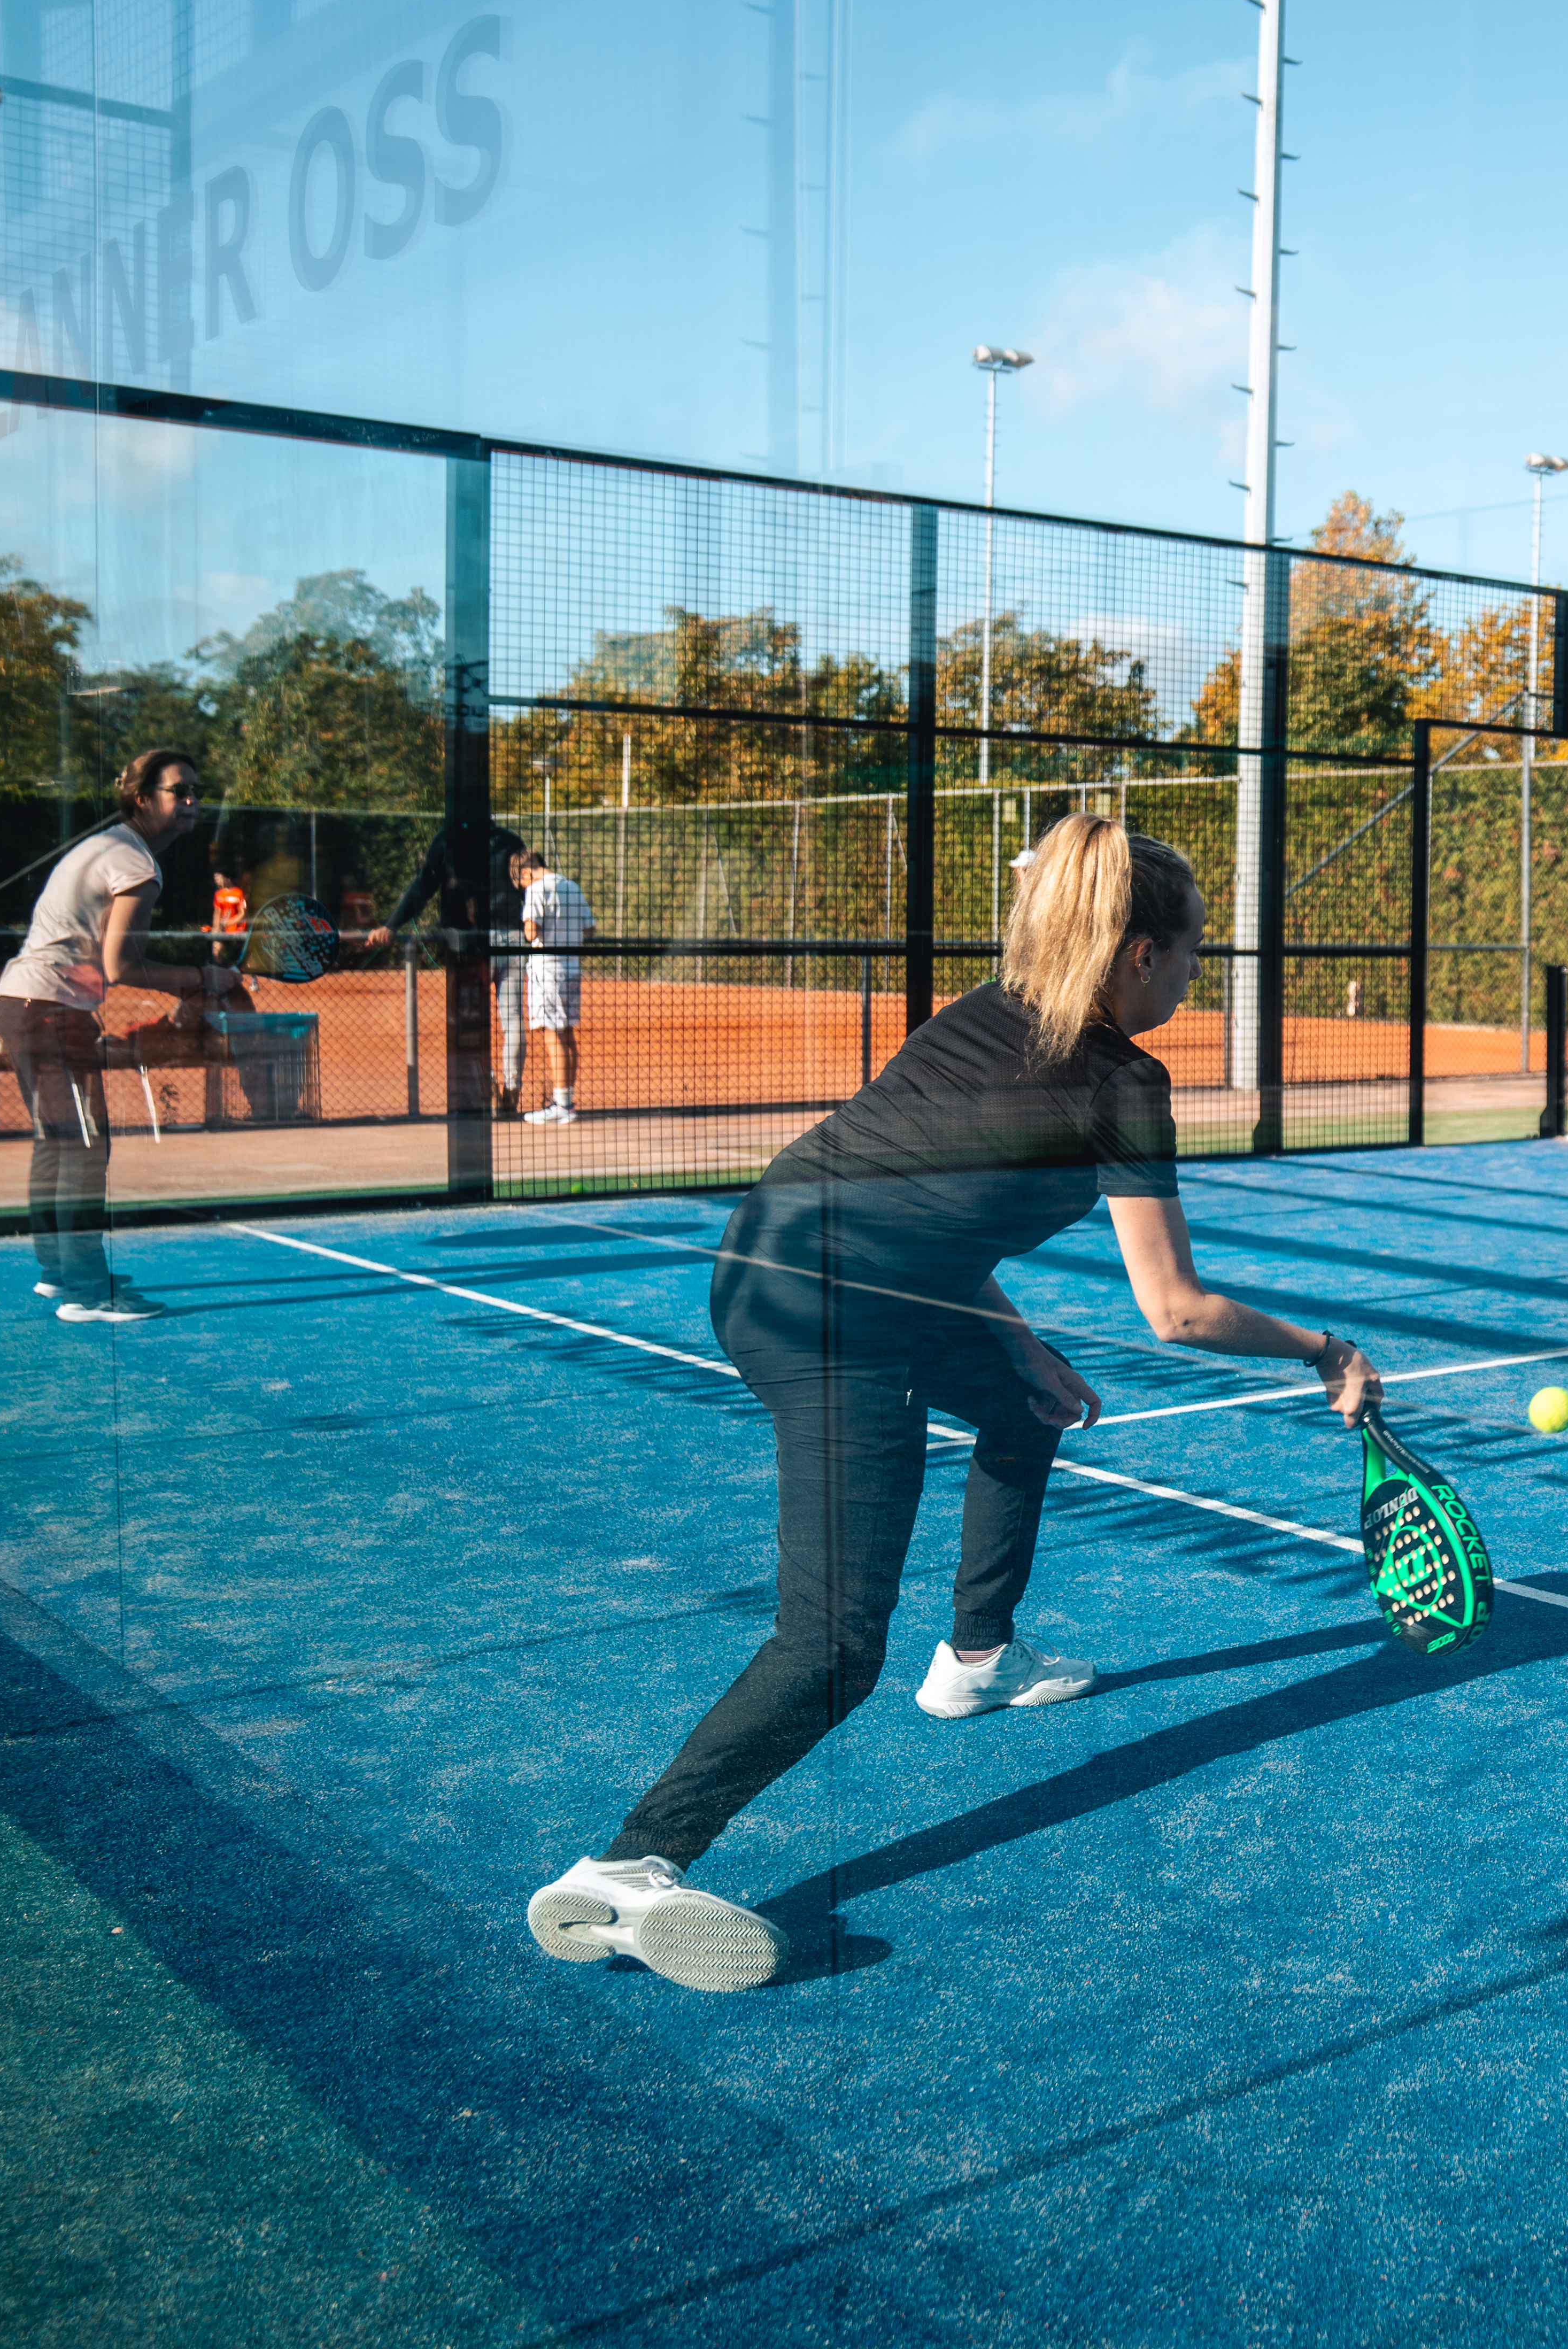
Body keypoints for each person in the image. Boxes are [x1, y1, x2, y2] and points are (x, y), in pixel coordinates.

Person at [527, 816, 1389, 1993]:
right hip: (831, 1326)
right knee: (831, 1645)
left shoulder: (987, 1009)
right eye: (1193, 951)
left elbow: (923, 1212)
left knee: (1026, 1407)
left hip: (768, 1259)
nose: (1197, 973)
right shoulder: (1122, 1081)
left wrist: (1016, 1342)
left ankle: (977, 1656)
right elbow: (1176, 1308)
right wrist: (1327, 1350)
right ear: (1139, 953)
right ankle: (630, 1862)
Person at [0, 750, 243, 1322]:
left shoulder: (105, 847)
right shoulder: (136, 864)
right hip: (49, 1009)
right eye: (180, 792)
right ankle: (85, 1291)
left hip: (24, 1003)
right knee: (83, 1144)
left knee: (58, 1141)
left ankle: (60, 1272)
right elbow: (122, 966)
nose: (193, 802)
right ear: (142, 800)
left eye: (196, 792)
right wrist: (203, 978)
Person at [367, 822, 530, 1115]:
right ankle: (512, 1091)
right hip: (514, 940)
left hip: (469, 943)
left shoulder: (449, 840)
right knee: (514, 1018)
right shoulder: (510, 840)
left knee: (470, 1023)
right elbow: (529, 887)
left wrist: (392, 925)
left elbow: (424, 886)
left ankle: (488, 1089)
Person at [512, 847, 592, 1125]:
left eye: (520, 883)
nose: (522, 888)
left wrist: (528, 925)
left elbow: (531, 931)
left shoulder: (536, 890)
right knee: (567, 1034)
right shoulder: (572, 886)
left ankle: (561, 1105)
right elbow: (590, 929)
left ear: (526, 873)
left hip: (547, 971)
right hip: (572, 969)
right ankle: (566, 1103)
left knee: (552, 1035)